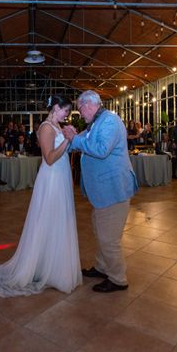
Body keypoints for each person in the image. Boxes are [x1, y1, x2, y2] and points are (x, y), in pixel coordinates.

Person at [0, 95, 82, 297]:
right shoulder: (45, 128)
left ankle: (54, 267)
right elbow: (50, 158)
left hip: (61, 177)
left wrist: (72, 139)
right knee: (47, 220)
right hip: (51, 179)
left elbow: (64, 152)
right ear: (56, 108)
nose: (67, 114)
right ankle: (42, 267)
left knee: (59, 221)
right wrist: (67, 141)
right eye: (66, 110)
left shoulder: (58, 126)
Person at [64, 90, 138, 293]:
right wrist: (68, 142)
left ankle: (118, 279)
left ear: (89, 105)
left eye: (80, 109)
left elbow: (101, 149)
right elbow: (80, 141)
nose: (80, 113)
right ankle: (102, 267)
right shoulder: (97, 122)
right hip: (104, 191)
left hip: (113, 190)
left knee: (109, 239)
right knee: (100, 231)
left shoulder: (109, 121)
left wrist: (74, 139)